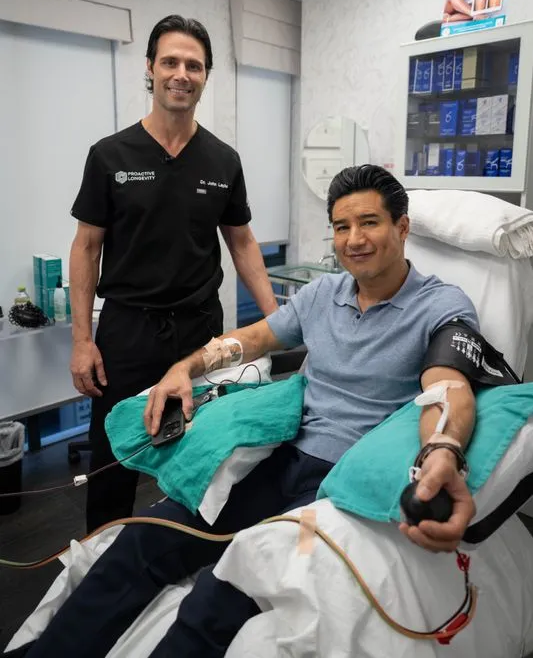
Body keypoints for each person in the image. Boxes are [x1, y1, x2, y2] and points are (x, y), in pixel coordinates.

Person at [17, 165, 479, 658]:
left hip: (339, 484)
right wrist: (185, 368)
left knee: (222, 591)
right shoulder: (323, 294)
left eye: (369, 223)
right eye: (342, 227)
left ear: (401, 227)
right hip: (281, 458)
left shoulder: (440, 305)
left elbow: (447, 387)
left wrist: (442, 450)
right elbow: (254, 338)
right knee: (142, 540)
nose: (354, 239)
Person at [68, 15, 278, 532]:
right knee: (114, 457)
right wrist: (82, 340)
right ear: (150, 68)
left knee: (202, 450)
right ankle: (99, 556)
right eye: (170, 62)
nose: (181, 74)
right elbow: (86, 247)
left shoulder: (223, 160)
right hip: (128, 332)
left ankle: (189, 548)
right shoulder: (110, 156)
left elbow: (242, 242)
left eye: (194, 65)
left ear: (205, 76)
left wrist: (277, 321)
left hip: (200, 331)